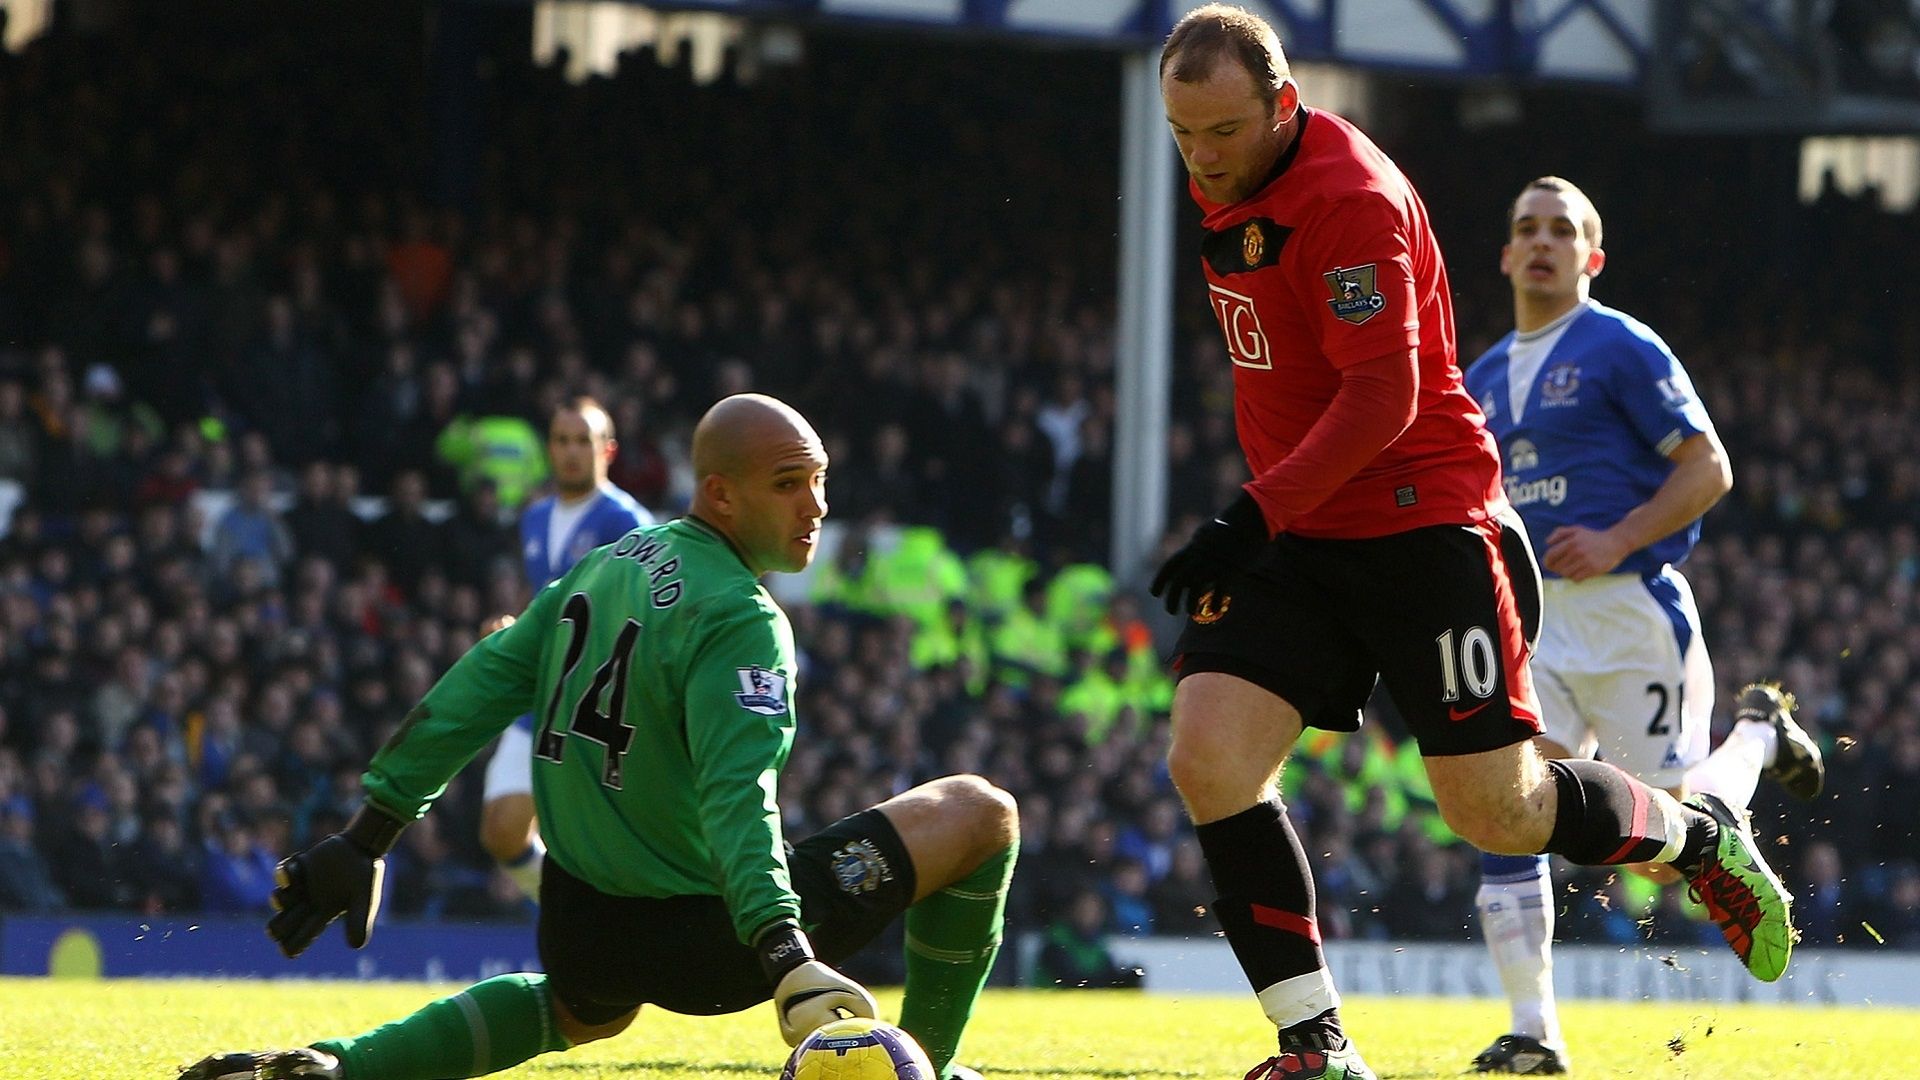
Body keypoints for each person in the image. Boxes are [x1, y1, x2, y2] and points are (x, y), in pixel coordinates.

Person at [1147, 9, 1794, 1080]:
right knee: (1207, 757)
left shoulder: (1349, 201)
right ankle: (1318, 1047)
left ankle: (1696, 838)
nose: (1202, 157)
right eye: (1182, 135)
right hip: (1304, 529)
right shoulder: (1230, 171)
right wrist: (1271, 515)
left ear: (1283, 104)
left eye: (1220, 132)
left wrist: (1250, 511)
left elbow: (1384, 396)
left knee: (1500, 812)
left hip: (1420, 528)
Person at [181, 394, 1019, 1080]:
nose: (817, 507)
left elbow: (477, 684)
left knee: (580, 1011)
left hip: (582, 919)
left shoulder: (605, 562)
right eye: (788, 484)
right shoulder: (740, 616)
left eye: (820, 480)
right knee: (983, 813)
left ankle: (335, 1070)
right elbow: (739, 796)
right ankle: (930, 1071)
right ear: (721, 494)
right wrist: (781, 947)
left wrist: (369, 834)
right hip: (715, 941)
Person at [1458, 176, 1826, 1075]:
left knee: (1663, 861)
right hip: (1533, 627)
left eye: (1563, 230)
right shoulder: (1478, 378)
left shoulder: (1621, 345)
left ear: (1593, 256)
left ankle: (1756, 732)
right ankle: (1532, 1032)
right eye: (1526, 230)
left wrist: (1620, 534)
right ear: (1506, 255)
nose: (1542, 243)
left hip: (1630, 617)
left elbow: (1709, 468)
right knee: (1509, 810)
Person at [479, 396, 654, 903]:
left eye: (584, 440)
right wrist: (515, 629)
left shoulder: (627, 523)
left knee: (590, 841)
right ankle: (564, 909)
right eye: (562, 440)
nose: (572, 452)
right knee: (501, 829)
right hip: (544, 686)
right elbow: (549, 602)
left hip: (595, 699)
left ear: (609, 449)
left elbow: (638, 615)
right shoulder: (534, 518)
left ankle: (591, 928)